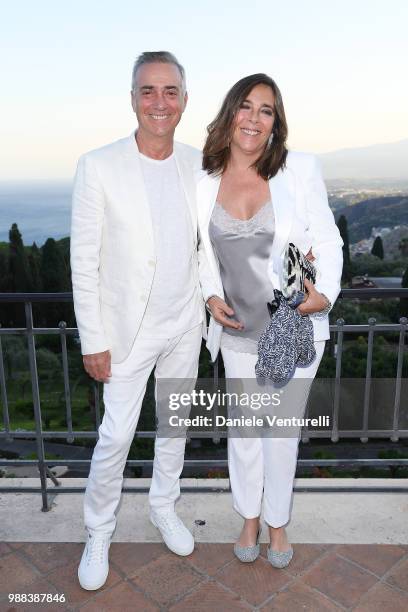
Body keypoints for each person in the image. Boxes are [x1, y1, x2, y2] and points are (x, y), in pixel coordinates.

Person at [70, 51, 206, 591]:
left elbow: (209, 243)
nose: (159, 101)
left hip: (184, 324)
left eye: (169, 91)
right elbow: (84, 260)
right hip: (125, 333)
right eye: (148, 91)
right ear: (132, 99)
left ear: (184, 101)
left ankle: (162, 506)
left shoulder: (199, 163)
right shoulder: (97, 165)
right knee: (116, 437)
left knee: (175, 426)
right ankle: (98, 530)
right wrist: (93, 338)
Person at [196, 73, 343, 568]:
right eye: (246, 106)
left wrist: (324, 295)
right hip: (237, 331)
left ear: (276, 122)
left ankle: (276, 523)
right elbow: (201, 252)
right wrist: (211, 296)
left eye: (267, 110)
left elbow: (327, 238)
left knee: (279, 433)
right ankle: (249, 516)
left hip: (292, 328)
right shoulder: (204, 181)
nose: (254, 118)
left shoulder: (298, 169)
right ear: (229, 113)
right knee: (245, 431)